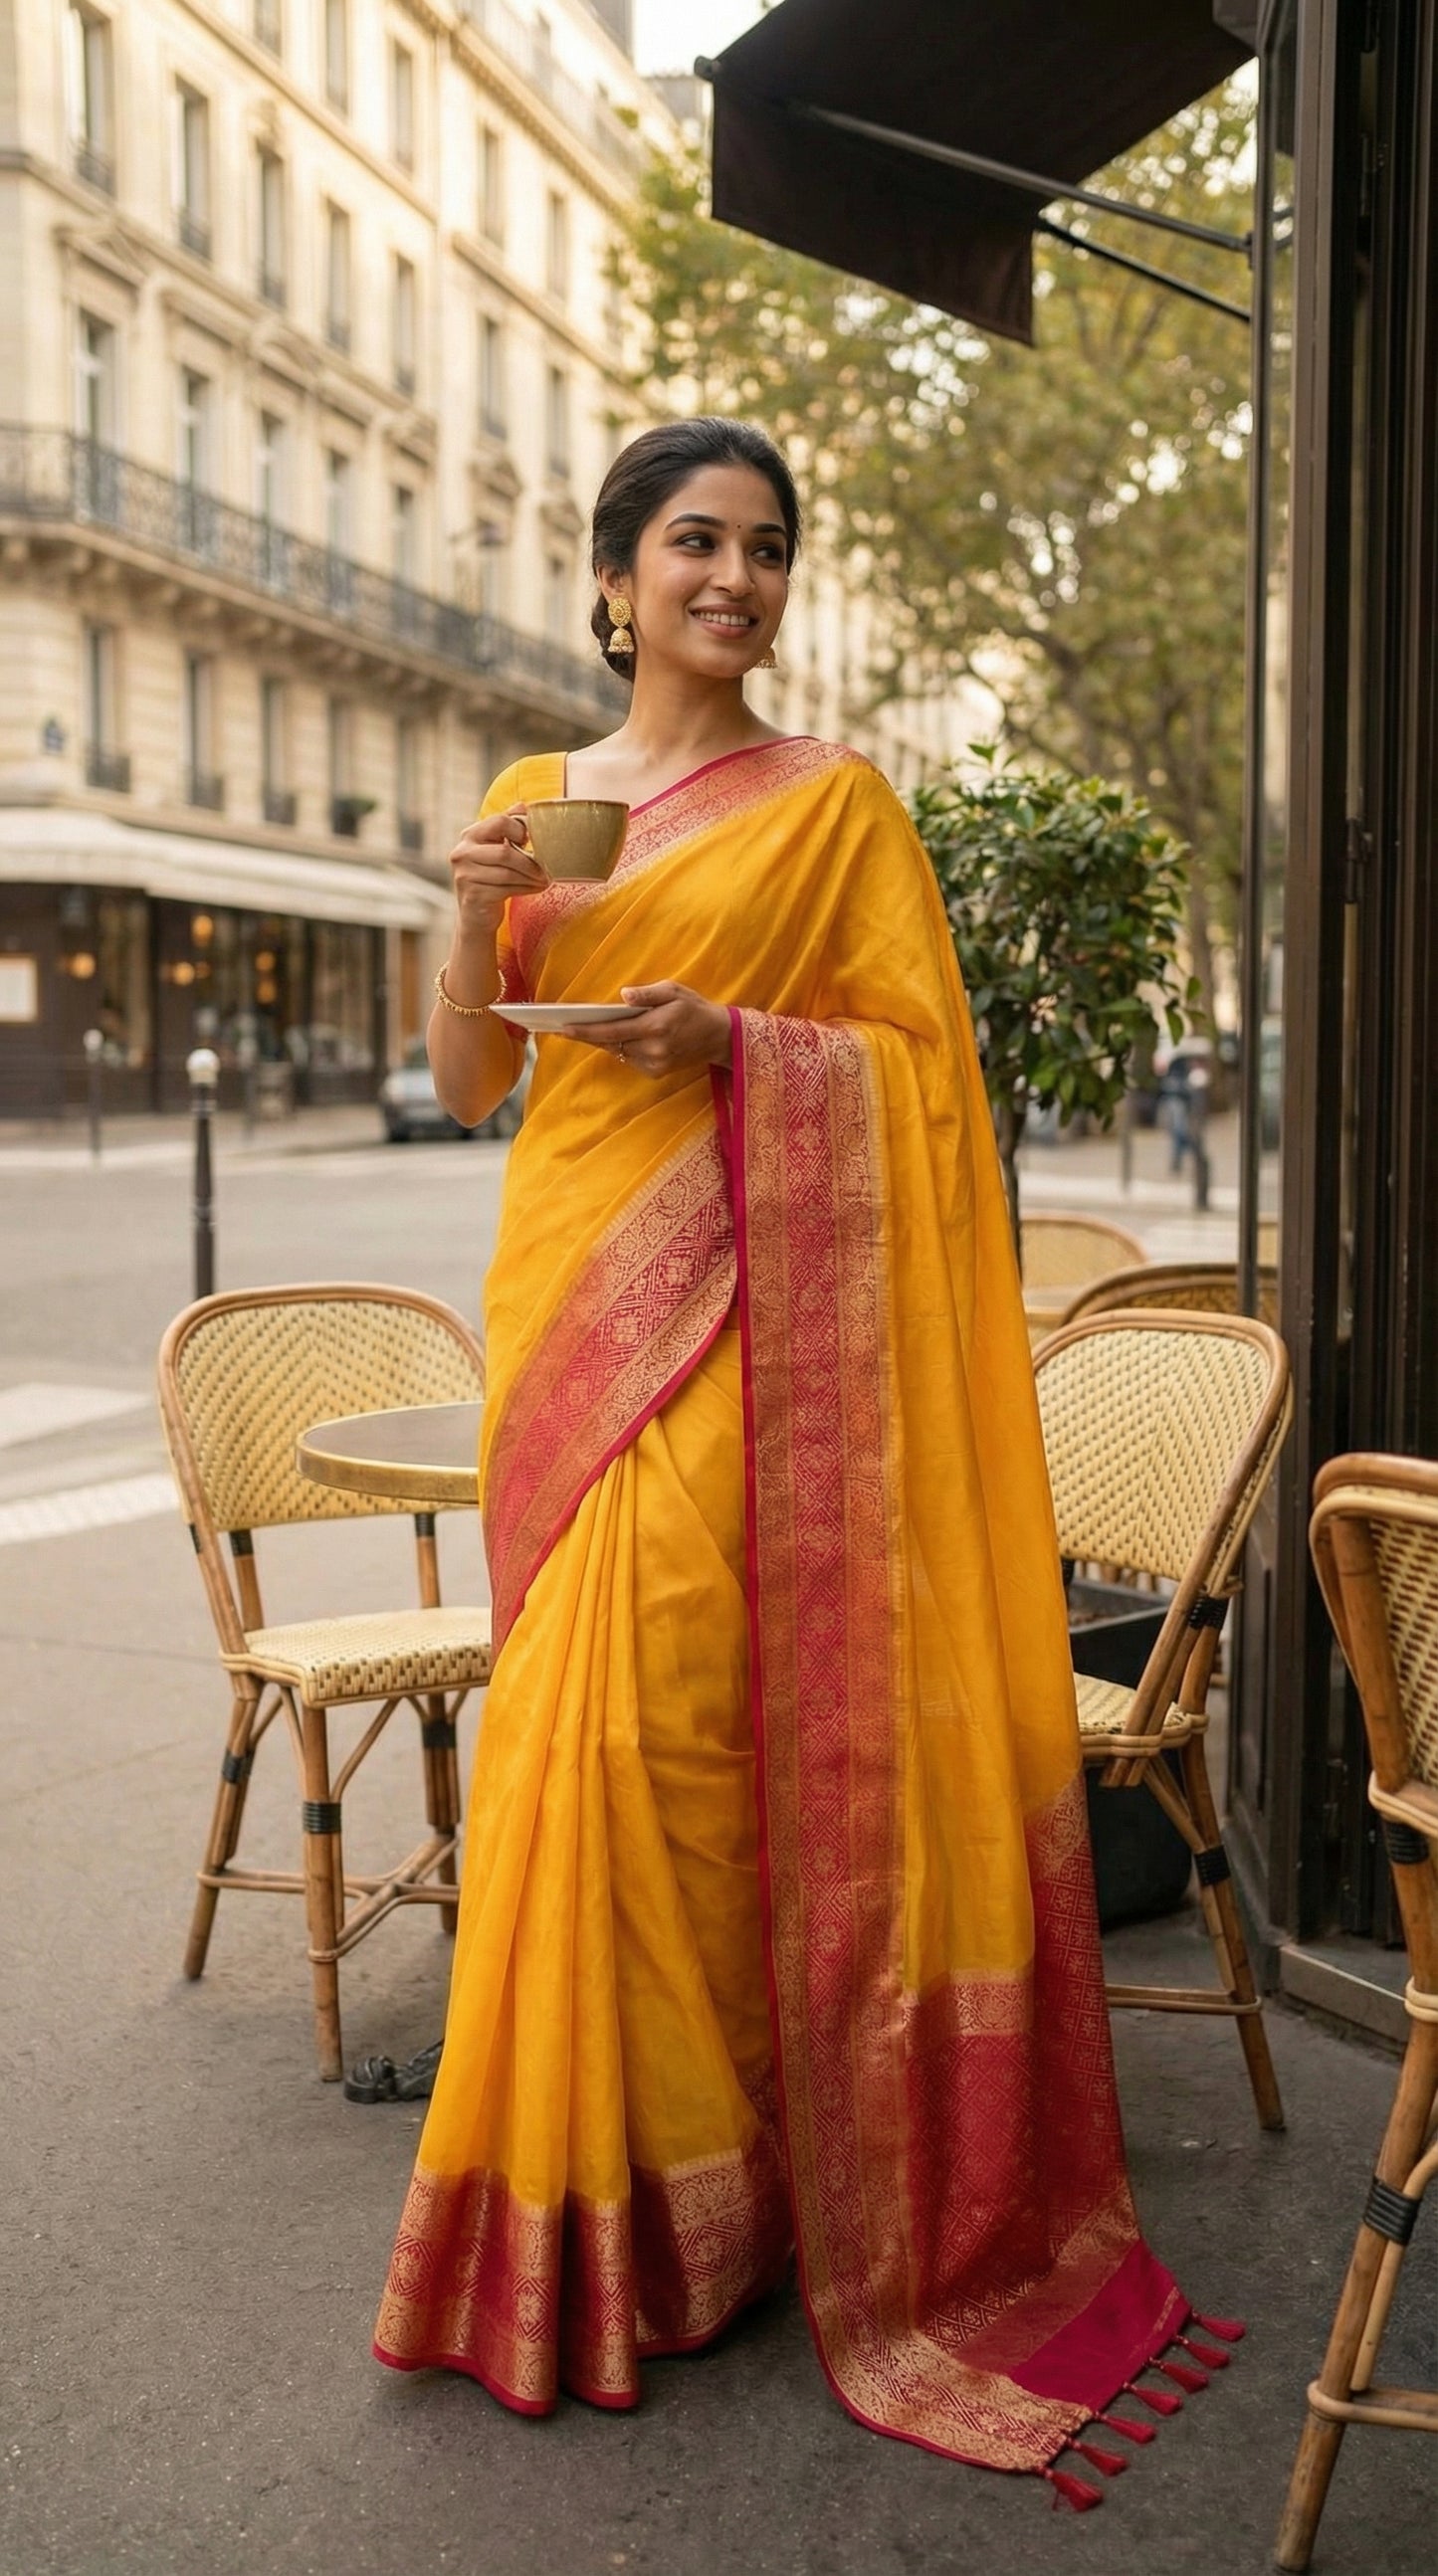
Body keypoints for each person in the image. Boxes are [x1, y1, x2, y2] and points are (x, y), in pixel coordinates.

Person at [373, 418, 1220, 2503]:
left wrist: (733, 1046)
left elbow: (926, 1077)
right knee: (572, 1748)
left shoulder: (836, 806)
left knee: (672, 1750)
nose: (730, 578)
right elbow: (468, 1075)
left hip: (754, 1342)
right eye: (692, 542)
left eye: (763, 547)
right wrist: (463, 918)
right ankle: (615, 2210)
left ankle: (736, 2187)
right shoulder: (534, 800)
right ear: (611, 576)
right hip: (566, 1320)